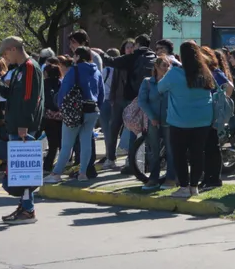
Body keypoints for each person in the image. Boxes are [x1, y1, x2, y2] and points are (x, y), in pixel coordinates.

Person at [158, 41, 216, 199]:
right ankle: (194, 186)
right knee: (198, 153)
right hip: (203, 119)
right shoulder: (205, 72)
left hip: (180, 120)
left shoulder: (175, 73)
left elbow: (160, 88)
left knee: (180, 154)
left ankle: (183, 187)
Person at [0, 37, 44, 224]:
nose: (4, 57)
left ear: (12, 49)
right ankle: (25, 207)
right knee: (20, 171)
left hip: (22, 126)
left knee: (24, 171)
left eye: (5, 53)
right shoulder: (19, 69)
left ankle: (28, 209)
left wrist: (24, 124)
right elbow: (15, 95)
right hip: (17, 124)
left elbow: (29, 98)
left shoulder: (30, 67)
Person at [44, 46, 105, 184]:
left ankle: (56, 173)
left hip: (75, 110)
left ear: (77, 57)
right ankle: (83, 173)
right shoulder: (96, 71)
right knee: (86, 143)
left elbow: (64, 90)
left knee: (66, 145)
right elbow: (101, 93)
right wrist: (98, 108)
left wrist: (61, 107)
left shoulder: (74, 70)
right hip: (92, 110)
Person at [101, 35, 156, 170]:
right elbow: (115, 82)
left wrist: (99, 52)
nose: (131, 49)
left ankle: (125, 159)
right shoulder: (149, 57)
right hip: (125, 98)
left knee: (128, 129)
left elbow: (109, 61)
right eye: (128, 47)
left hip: (130, 99)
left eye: (133, 46)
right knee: (120, 128)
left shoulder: (132, 58)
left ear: (137, 45)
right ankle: (115, 157)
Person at [138, 57, 176, 190]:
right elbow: (142, 101)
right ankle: (153, 178)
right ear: (156, 66)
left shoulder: (171, 82)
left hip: (169, 120)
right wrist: (151, 116)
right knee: (154, 150)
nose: (166, 68)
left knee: (171, 150)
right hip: (153, 121)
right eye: (163, 66)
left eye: (168, 66)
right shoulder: (148, 82)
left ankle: (171, 178)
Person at [201, 48, 234, 190]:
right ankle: (207, 177)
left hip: (213, 113)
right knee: (206, 147)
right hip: (204, 113)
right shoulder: (202, 72)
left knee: (212, 146)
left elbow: (230, 87)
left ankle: (214, 178)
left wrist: (221, 101)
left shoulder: (215, 72)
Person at [41, 64, 64, 174]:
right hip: (60, 117)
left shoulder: (44, 83)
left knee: (52, 144)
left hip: (48, 117)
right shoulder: (61, 83)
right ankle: (61, 165)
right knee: (61, 143)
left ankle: (47, 166)